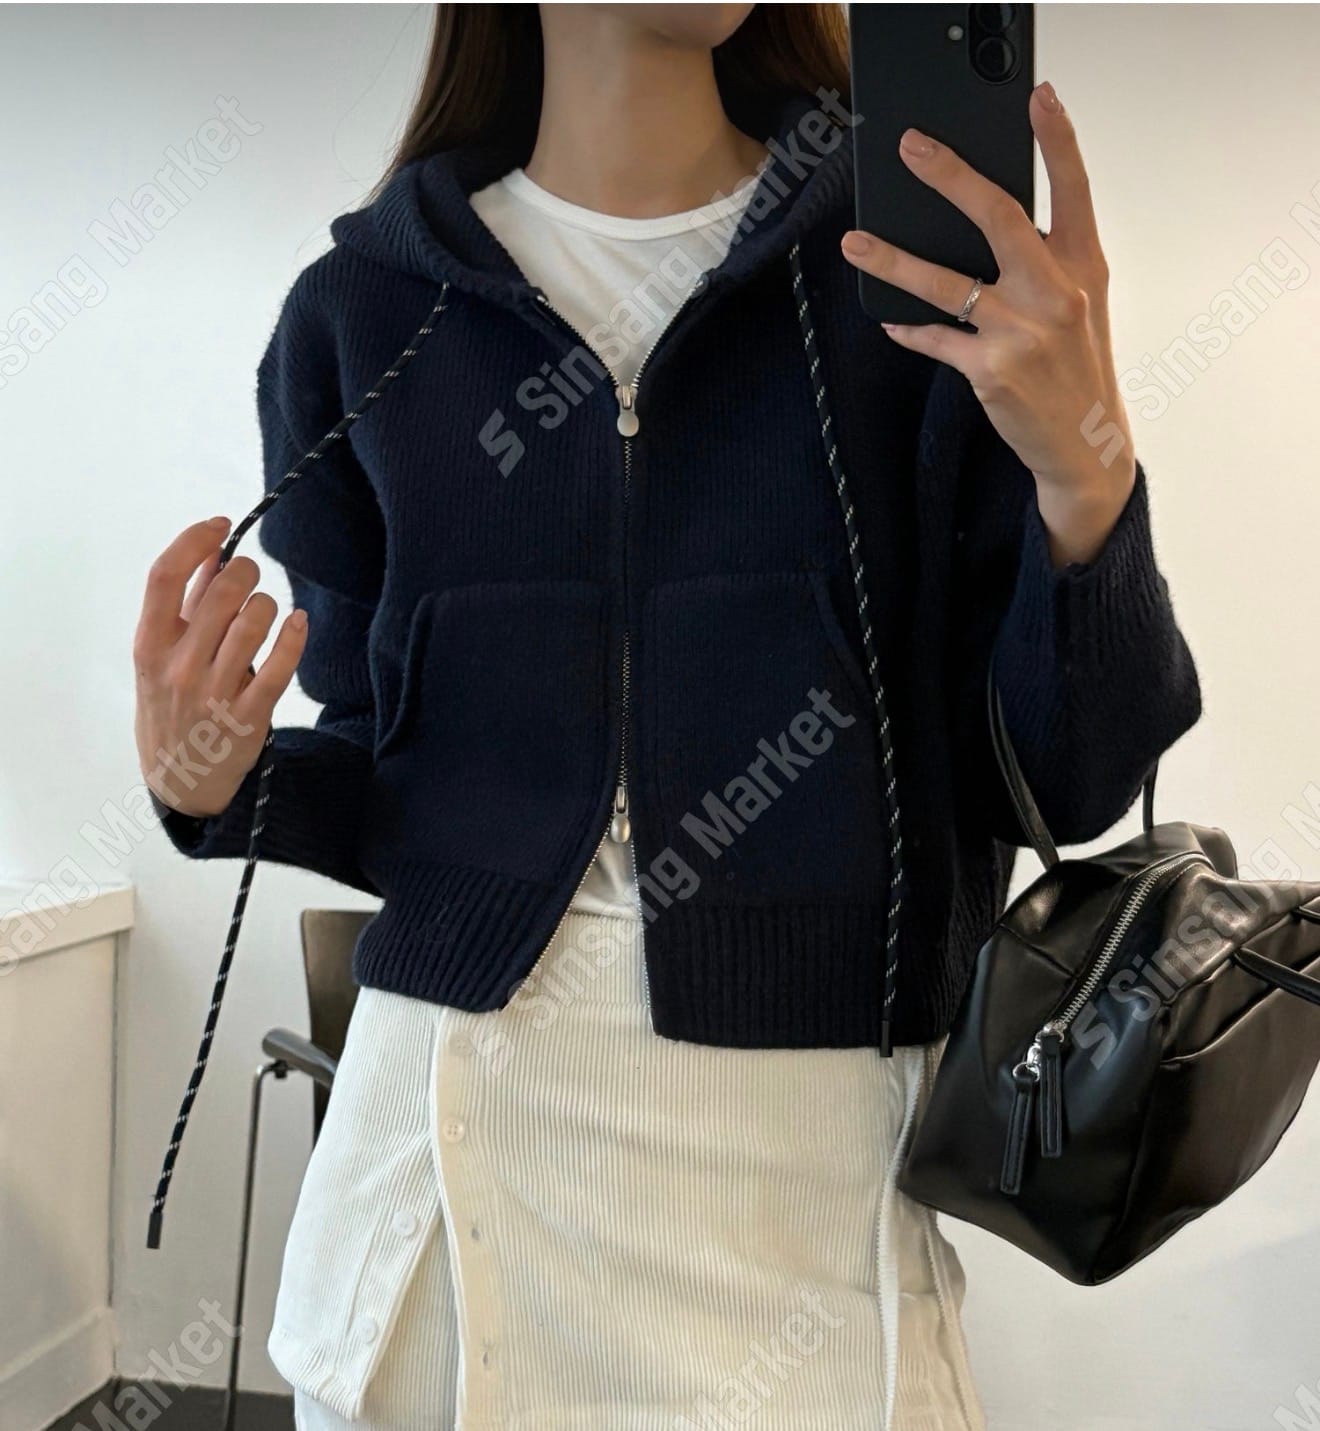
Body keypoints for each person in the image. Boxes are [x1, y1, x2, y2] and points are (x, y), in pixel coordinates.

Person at [134, 5, 1201, 1427]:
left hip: (803, 1193)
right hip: (440, 1192)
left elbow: (1071, 777)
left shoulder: (908, 278)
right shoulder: (366, 314)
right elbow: (383, 757)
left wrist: (1089, 477)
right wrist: (215, 784)